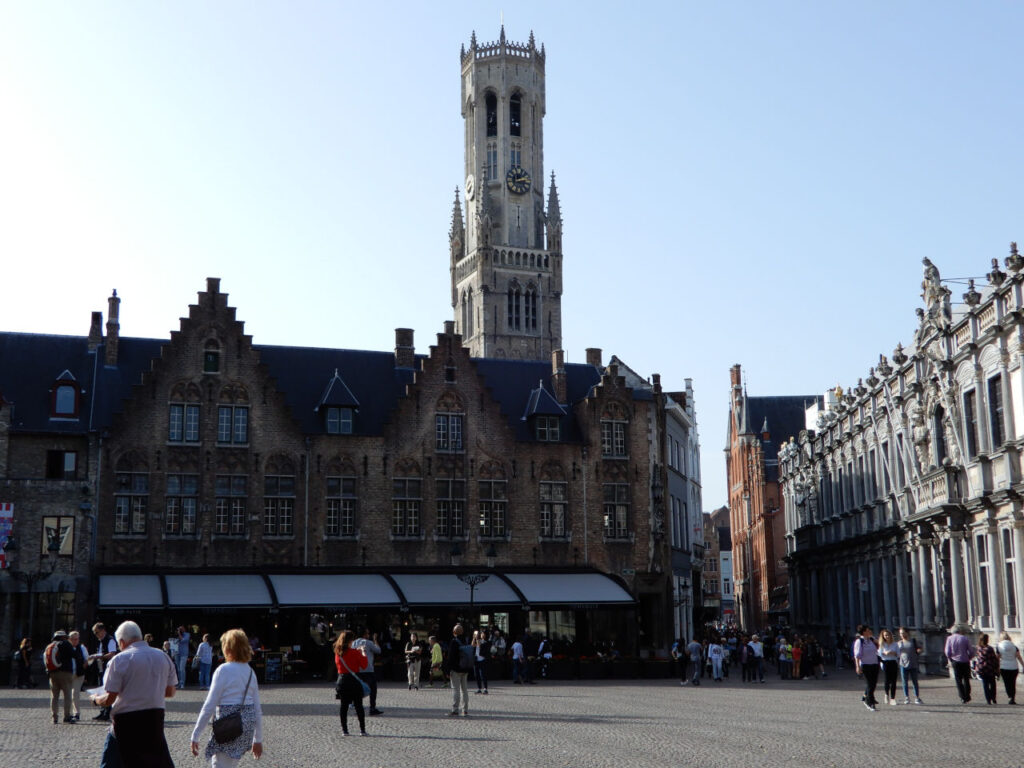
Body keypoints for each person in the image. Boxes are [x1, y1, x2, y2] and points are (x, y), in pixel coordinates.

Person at [91, 620, 178, 768]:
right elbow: (170, 692)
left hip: (126, 723)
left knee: (112, 763)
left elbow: (109, 698)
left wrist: (95, 699)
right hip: (153, 722)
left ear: (122, 642)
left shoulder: (119, 660)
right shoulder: (163, 657)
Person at [190, 628, 264, 765]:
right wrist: (258, 739)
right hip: (245, 725)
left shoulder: (223, 670)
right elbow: (257, 709)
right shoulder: (250, 672)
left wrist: (196, 734)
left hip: (227, 725)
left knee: (219, 763)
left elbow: (210, 705)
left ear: (228, 648)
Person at [333, 630, 368, 736]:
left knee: (343, 706)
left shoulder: (337, 653)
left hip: (342, 681)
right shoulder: (355, 652)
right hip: (354, 681)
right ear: (350, 641)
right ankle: (362, 730)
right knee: (359, 706)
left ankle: (345, 730)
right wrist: (362, 652)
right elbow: (364, 665)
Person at [46, 629, 76, 724]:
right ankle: (67, 716)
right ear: (64, 637)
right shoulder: (66, 644)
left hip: (52, 673)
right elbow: (74, 654)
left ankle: (54, 717)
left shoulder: (50, 646)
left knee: (54, 696)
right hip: (65, 673)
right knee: (67, 695)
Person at [351, 628, 383, 716]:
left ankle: (358, 707)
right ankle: (372, 708)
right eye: (368, 634)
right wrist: (375, 640)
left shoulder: (354, 643)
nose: (368, 635)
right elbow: (378, 650)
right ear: (365, 634)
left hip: (357, 669)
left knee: (359, 689)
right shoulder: (368, 642)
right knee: (373, 689)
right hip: (368, 669)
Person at [91, 622, 119, 721]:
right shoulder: (101, 640)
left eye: (97, 632)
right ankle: (103, 711)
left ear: (103, 631)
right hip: (101, 668)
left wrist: (99, 656)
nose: (96, 635)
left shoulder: (110, 640)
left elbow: (112, 654)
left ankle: (107, 712)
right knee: (101, 689)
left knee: (106, 690)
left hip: (108, 668)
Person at [944, 624, 974, 704]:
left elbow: (947, 652)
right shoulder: (964, 638)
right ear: (959, 631)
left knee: (958, 680)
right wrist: (969, 657)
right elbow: (971, 651)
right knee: (966, 679)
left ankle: (962, 696)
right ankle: (967, 695)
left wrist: (950, 658)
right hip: (965, 660)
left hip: (955, 661)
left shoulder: (949, 639)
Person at [853, 624, 880, 711]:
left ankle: (868, 698)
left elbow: (880, 645)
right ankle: (870, 702)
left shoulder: (871, 640)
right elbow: (857, 655)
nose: (870, 631)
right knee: (869, 684)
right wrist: (857, 666)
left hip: (874, 664)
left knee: (874, 683)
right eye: (868, 630)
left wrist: (874, 640)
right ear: (864, 632)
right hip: (865, 665)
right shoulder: (859, 642)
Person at [445, 623, 470, 716]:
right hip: (465, 669)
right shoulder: (466, 641)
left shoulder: (454, 642)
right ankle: (465, 709)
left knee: (456, 689)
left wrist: (447, 670)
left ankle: (455, 709)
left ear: (454, 632)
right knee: (465, 690)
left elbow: (450, 657)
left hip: (456, 669)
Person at [896, 627, 923, 704]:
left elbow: (920, 648)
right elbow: (896, 653)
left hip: (913, 664)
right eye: (901, 633)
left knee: (915, 681)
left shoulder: (913, 641)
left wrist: (919, 650)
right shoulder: (899, 643)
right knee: (904, 682)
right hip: (903, 664)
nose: (902, 634)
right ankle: (906, 697)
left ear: (907, 633)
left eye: (903, 632)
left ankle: (917, 697)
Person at [996, 630, 1023, 705]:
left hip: (1004, 666)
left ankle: (1009, 696)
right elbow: (1019, 657)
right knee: (1012, 683)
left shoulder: (999, 646)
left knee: (1007, 683)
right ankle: (1012, 697)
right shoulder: (1014, 646)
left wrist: (996, 667)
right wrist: (1023, 665)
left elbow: (997, 658)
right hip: (1014, 666)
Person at [973, 633, 999, 705]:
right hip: (990, 668)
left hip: (982, 668)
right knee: (992, 684)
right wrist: (996, 667)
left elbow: (978, 658)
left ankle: (988, 699)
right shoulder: (989, 649)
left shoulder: (979, 648)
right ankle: (993, 698)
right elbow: (994, 659)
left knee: (985, 685)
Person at [68, 631, 89, 721]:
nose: (76, 641)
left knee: (75, 694)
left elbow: (87, 660)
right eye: (74, 639)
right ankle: (68, 713)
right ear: (70, 639)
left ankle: (76, 713)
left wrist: (82, 667)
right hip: (68, 674)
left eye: (77, 639)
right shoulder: (67, 648)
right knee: (68, 694)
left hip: (78, 674)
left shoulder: (82, 648)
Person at [877, 629, 899, 705]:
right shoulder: (882, 644)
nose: (887, 637)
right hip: (886, 662)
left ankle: (893, 698)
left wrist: (893, 653)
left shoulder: (895, 644)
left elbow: (898, 654)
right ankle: (886, 694)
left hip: (893, 662)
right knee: (887, 680)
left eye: (888, 635)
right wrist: (885, 652)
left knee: (894, 681)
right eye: (885, 635)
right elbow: (879, 654)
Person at [472, 629, 490, 694]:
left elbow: (480, 646)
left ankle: (485, 688)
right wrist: (474, 638)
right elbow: (472, 645)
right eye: (481, 633)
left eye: (483, 633)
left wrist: (477, 639)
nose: (482, 634)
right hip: (476, 660)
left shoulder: (486, 642)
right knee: (476, 675)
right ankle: (479, 688)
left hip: (483, 660)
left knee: (483, 675)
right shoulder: (477, 640)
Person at [175, 625, 191, 689]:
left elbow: (183, 640)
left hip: (184, 653)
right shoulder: (176, 634)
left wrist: (179, 633)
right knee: (178, 669)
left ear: (184, 629)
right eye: (179, 629)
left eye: (181, 628)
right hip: (177, 653)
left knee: (182, 669)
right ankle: (178, 682)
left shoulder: (187, 634)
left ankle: (182, 683)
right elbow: (174, 642)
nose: (180, 630)